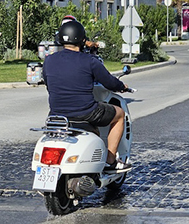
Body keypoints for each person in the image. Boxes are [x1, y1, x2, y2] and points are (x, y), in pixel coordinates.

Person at [42, 20, 132, 172]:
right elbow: (109, 82)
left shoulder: (49, 60)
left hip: (57, 115)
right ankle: (111, 161)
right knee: (119, 115)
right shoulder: (90, 61)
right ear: (82, 39)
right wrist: (121, 86)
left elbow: (48, 83)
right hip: (86, 112)